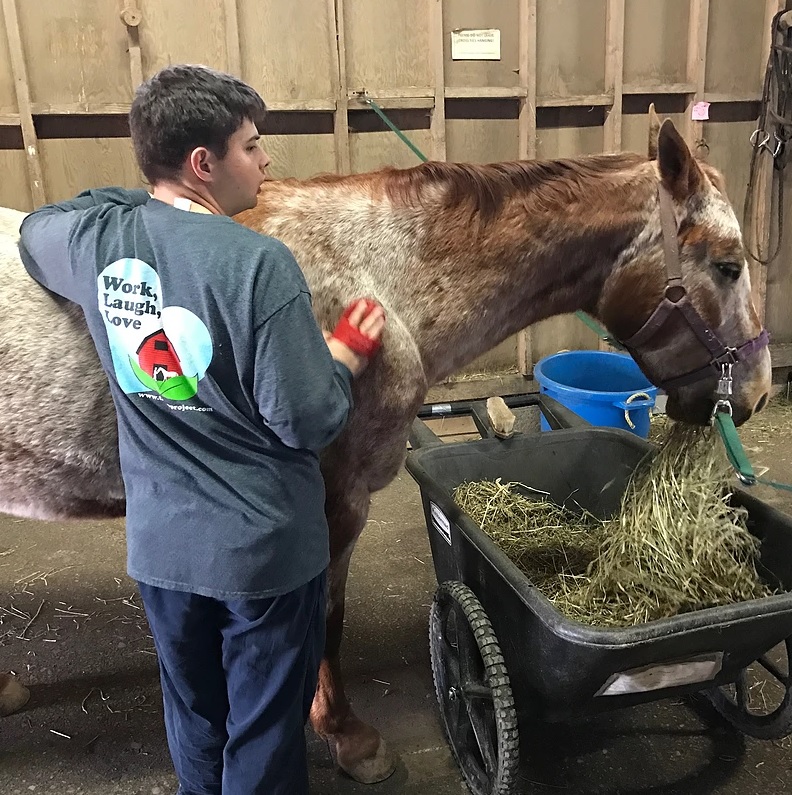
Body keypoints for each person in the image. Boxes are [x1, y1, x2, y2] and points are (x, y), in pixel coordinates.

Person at [18, 64, 385, 795]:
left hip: (163, 551)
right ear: (203, 163)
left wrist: (145, 199)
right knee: (264, 728)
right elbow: (304, 419)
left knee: (193, 713)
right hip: (263, 556)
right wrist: (342, 356)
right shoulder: (260, 263)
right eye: (251, 145)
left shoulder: (99, 242)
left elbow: (33, 231)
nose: (266, 160)